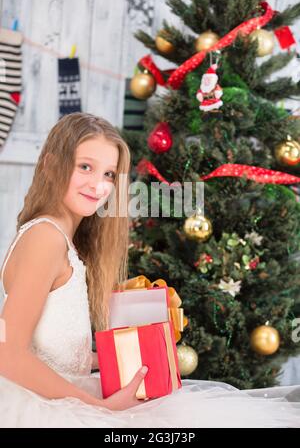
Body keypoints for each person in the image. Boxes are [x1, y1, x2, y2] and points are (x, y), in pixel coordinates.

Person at [0, 113, 299, 428]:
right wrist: (99, 408)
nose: (98, 185)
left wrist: (119, 357)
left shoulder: (63, 239)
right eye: (85, 167)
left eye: (110, 174)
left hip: (64, 394)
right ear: (50, 164)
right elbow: (8, 352)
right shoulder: (44, 237)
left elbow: (52, 352)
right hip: (41, 408)